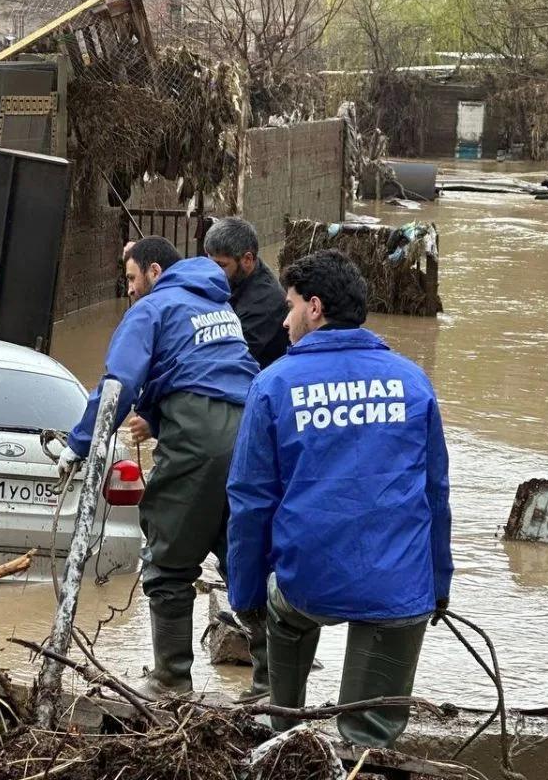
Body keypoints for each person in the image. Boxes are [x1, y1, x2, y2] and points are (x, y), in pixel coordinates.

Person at [226, 249, 453, 747]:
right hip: (400, 589)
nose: (284, 322)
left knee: (281, 610)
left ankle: (282, 726)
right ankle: (363, 749)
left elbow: (249, 502)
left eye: (288, 307)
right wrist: (438, 585)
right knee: (370, 740)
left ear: (314, 307)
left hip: (309, 582)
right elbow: (435, 493)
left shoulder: (272, 386)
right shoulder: (414, 382)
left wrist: (244, 594)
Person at [60, 236, 260, 698]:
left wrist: (81, 442)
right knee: (240, 555)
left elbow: (119, 382)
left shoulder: (153, 308)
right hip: (250, 429)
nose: (128, 290)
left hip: (199, 435)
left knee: (168, 558)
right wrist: (155, 412)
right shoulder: (216, 304)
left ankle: (170, 678)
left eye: (131, 278)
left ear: (153, 271)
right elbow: (202, 366)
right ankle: (271, 682)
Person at [203, 217, 289, 369]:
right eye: (209, 263)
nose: (211, 272)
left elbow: (231, 356)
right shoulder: (236, 278)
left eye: (221, 265)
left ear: (247, 259)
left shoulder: (265, 301)